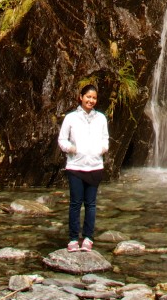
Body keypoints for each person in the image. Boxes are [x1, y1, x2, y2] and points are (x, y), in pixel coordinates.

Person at [58, 83, 109, 252]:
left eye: (94, 98)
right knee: (75, 203)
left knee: (91, 204)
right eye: (88, 97)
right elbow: (62, 140)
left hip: (95, 166)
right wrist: (71, 149)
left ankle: (88, 238)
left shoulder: (100, 118)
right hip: (75, 166)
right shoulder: (71, 118)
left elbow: (105, 139)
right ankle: (73, 238)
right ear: (81, 97)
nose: (91, 100)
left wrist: (102, 150)